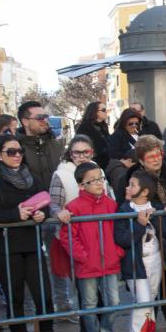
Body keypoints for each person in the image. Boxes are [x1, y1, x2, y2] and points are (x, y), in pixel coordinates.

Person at [0, 134, 65, 332]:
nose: (17, 156)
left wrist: (40, 215)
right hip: (5, 247)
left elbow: (44, 204)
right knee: (15, 299)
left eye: (19, 151)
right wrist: (14, 215)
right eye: (10, 152)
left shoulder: (31, 177)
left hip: (32, 244)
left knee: (43, 296)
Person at [59, 162, 124, 332]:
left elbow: (119, 230)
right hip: (87, 265)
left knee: (114, 301)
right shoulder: (74, 207)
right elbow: (68, 237)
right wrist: (83, 257)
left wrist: (117, 251)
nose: (98, 183)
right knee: (89, 303)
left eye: (100, 178)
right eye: (92, 180)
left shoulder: (111, 204)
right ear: (81, 185)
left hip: (110, 262)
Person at [48, 135, 113, 317]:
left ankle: (102, 331)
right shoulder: (61, 174)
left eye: (86, 152)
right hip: (75, 239)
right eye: (77, 152)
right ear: (71, 154)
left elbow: (107, 198)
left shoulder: (98, 171)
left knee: (104, 293)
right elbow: (53, 204)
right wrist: (58, 213)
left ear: (92, 152)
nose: (82, 156)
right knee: (86, 292)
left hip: (100, 239)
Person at [125, 135, 166, 332]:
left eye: (158, 154)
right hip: (144, 238)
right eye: (150, 156)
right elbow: (125, 202)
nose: (156, 159)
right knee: (148, 286)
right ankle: (148, 325)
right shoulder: (133, 176)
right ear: (141, 159)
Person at [115, 170, 166, 332]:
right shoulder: (123, 209)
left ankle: (146, 330)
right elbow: (121, 239)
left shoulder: (157, 207)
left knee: (151, 297)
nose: (128, 188)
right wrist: (140, 225)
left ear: (144, 192)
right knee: (142, 299)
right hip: (135, 262)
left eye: (132, 185)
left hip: (155, 259)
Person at [16, 101, 63, 191]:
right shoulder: (15, 148)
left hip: (56, 202)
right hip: (30, 202)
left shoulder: (56, 145)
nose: (45, 120)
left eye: (45, 116)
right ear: (25, 121)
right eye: (40, 118)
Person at [75, 102, 111, 169]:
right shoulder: (84, 127)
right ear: (95, 112)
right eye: (103, 110)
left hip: (106, 162)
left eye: (106, 110)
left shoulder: (103, 125)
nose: (106, 112)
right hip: (93, 164)